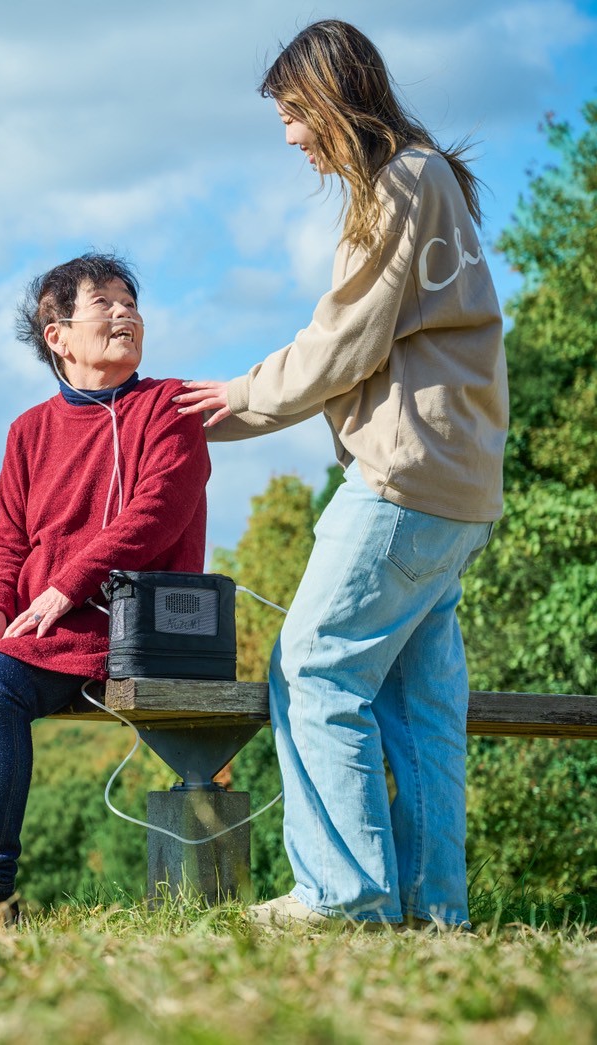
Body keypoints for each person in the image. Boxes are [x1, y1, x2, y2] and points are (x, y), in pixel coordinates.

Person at [174, 20, 507, 930]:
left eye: (291, 113)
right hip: (461, 492)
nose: (289, 137)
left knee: (312, 666)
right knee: (415, 698)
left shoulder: (400, 182)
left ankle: (345, 893)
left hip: (404, 481)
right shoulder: (433, 179)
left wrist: (229, 403)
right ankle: (436, 909)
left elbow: (342, 343)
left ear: (329, 96)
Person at [0, 253, 210, 926]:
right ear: (55, 333)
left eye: (130, 303)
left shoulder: (167, 408)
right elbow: (5, 540)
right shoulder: (27, 430)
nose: (126, 314)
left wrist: (64, 587)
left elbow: (155, 514)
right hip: (36, 625)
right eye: (105, 303)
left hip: (122, 627)